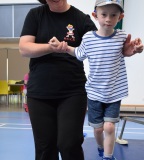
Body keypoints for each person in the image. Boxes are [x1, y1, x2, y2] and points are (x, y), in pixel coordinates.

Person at [49, 0, 144, 160]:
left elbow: (126, 51)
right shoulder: (88, 38)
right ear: (95, 16)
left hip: (114, 92)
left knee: (109, 126)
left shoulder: (121, 36)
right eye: (104, 15)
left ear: (120, 17)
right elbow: (78, 53)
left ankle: (108, 156)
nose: (108, 19)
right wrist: (62, 46)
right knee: (98, 129)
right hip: (94, 93)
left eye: (113, 15)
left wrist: (135, 49)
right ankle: (101, 147)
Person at [19, 0, 97, 160]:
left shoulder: (81, 19)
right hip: (39, 93)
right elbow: (24, 48)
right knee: (45, 148)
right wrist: (49, 48)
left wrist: (124, 49)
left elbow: (100, 44)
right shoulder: (35, 15)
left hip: (72, 92)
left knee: (69, 144)